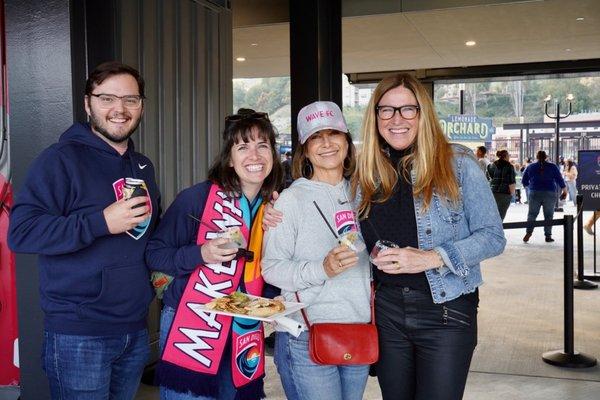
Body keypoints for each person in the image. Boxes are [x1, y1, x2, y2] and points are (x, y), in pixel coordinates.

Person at [8, 61, 159, 399]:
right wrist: (100, 222)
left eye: (130, 99)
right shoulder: (59, 160)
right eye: (107, 98)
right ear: (88, 103)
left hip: (134, 328)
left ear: (141, 106)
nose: (119, 109)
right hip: (79, 334)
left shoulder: (143, 165)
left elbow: (152, 234)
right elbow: (22, 233)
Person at [352, 73, 506, 400]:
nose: (397, 119)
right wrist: (278, 205)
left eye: (408, 109)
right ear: (375, 116)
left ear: (423, 114)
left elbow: (493, 237)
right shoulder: (365, 173)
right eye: (387, 110)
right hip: (387, 312)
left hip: (446, 310)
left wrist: (430, 258)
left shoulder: (458, 164)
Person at [146, 110, 282, 400]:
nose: (254, 156)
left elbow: (263, 268)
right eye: (243, 147)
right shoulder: (196, 198)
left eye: (263, 145)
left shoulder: (272, 206)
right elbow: (155, 255)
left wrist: (272, 297)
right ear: (229, 158)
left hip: (242, 329)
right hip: (194, 325)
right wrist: (201, 253)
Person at [262, 101, 372, 400]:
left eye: (333, 133)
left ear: (347, 142)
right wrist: (321, 269)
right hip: (306, 333)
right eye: (315, 137)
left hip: (359, 329)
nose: (326, 143)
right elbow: (271, 267)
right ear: (305, 149)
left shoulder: (364, 194)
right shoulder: (290, 200)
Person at [522, 150, 567, 243]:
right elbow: (559, 179)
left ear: (537, 157)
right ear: (546, 157)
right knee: (549, 215)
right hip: (550, 193)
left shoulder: (530, 167)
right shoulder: (553, 166)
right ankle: (548, 236)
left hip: (535, 192)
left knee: (532, 214)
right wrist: (564, 190)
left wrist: (530, 186)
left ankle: (529, 232)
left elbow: (524, 181)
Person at [487, 149, 516, 220]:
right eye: (508, 155)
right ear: (505, 156)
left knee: (492, 214)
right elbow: (511, 181)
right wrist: (512, 194)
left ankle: (492, 229)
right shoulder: (509, 166)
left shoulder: (492, 165)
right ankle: (498, 230)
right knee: (501, 215)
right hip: (504, 193)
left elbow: (488, 178)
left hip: (493, 193)